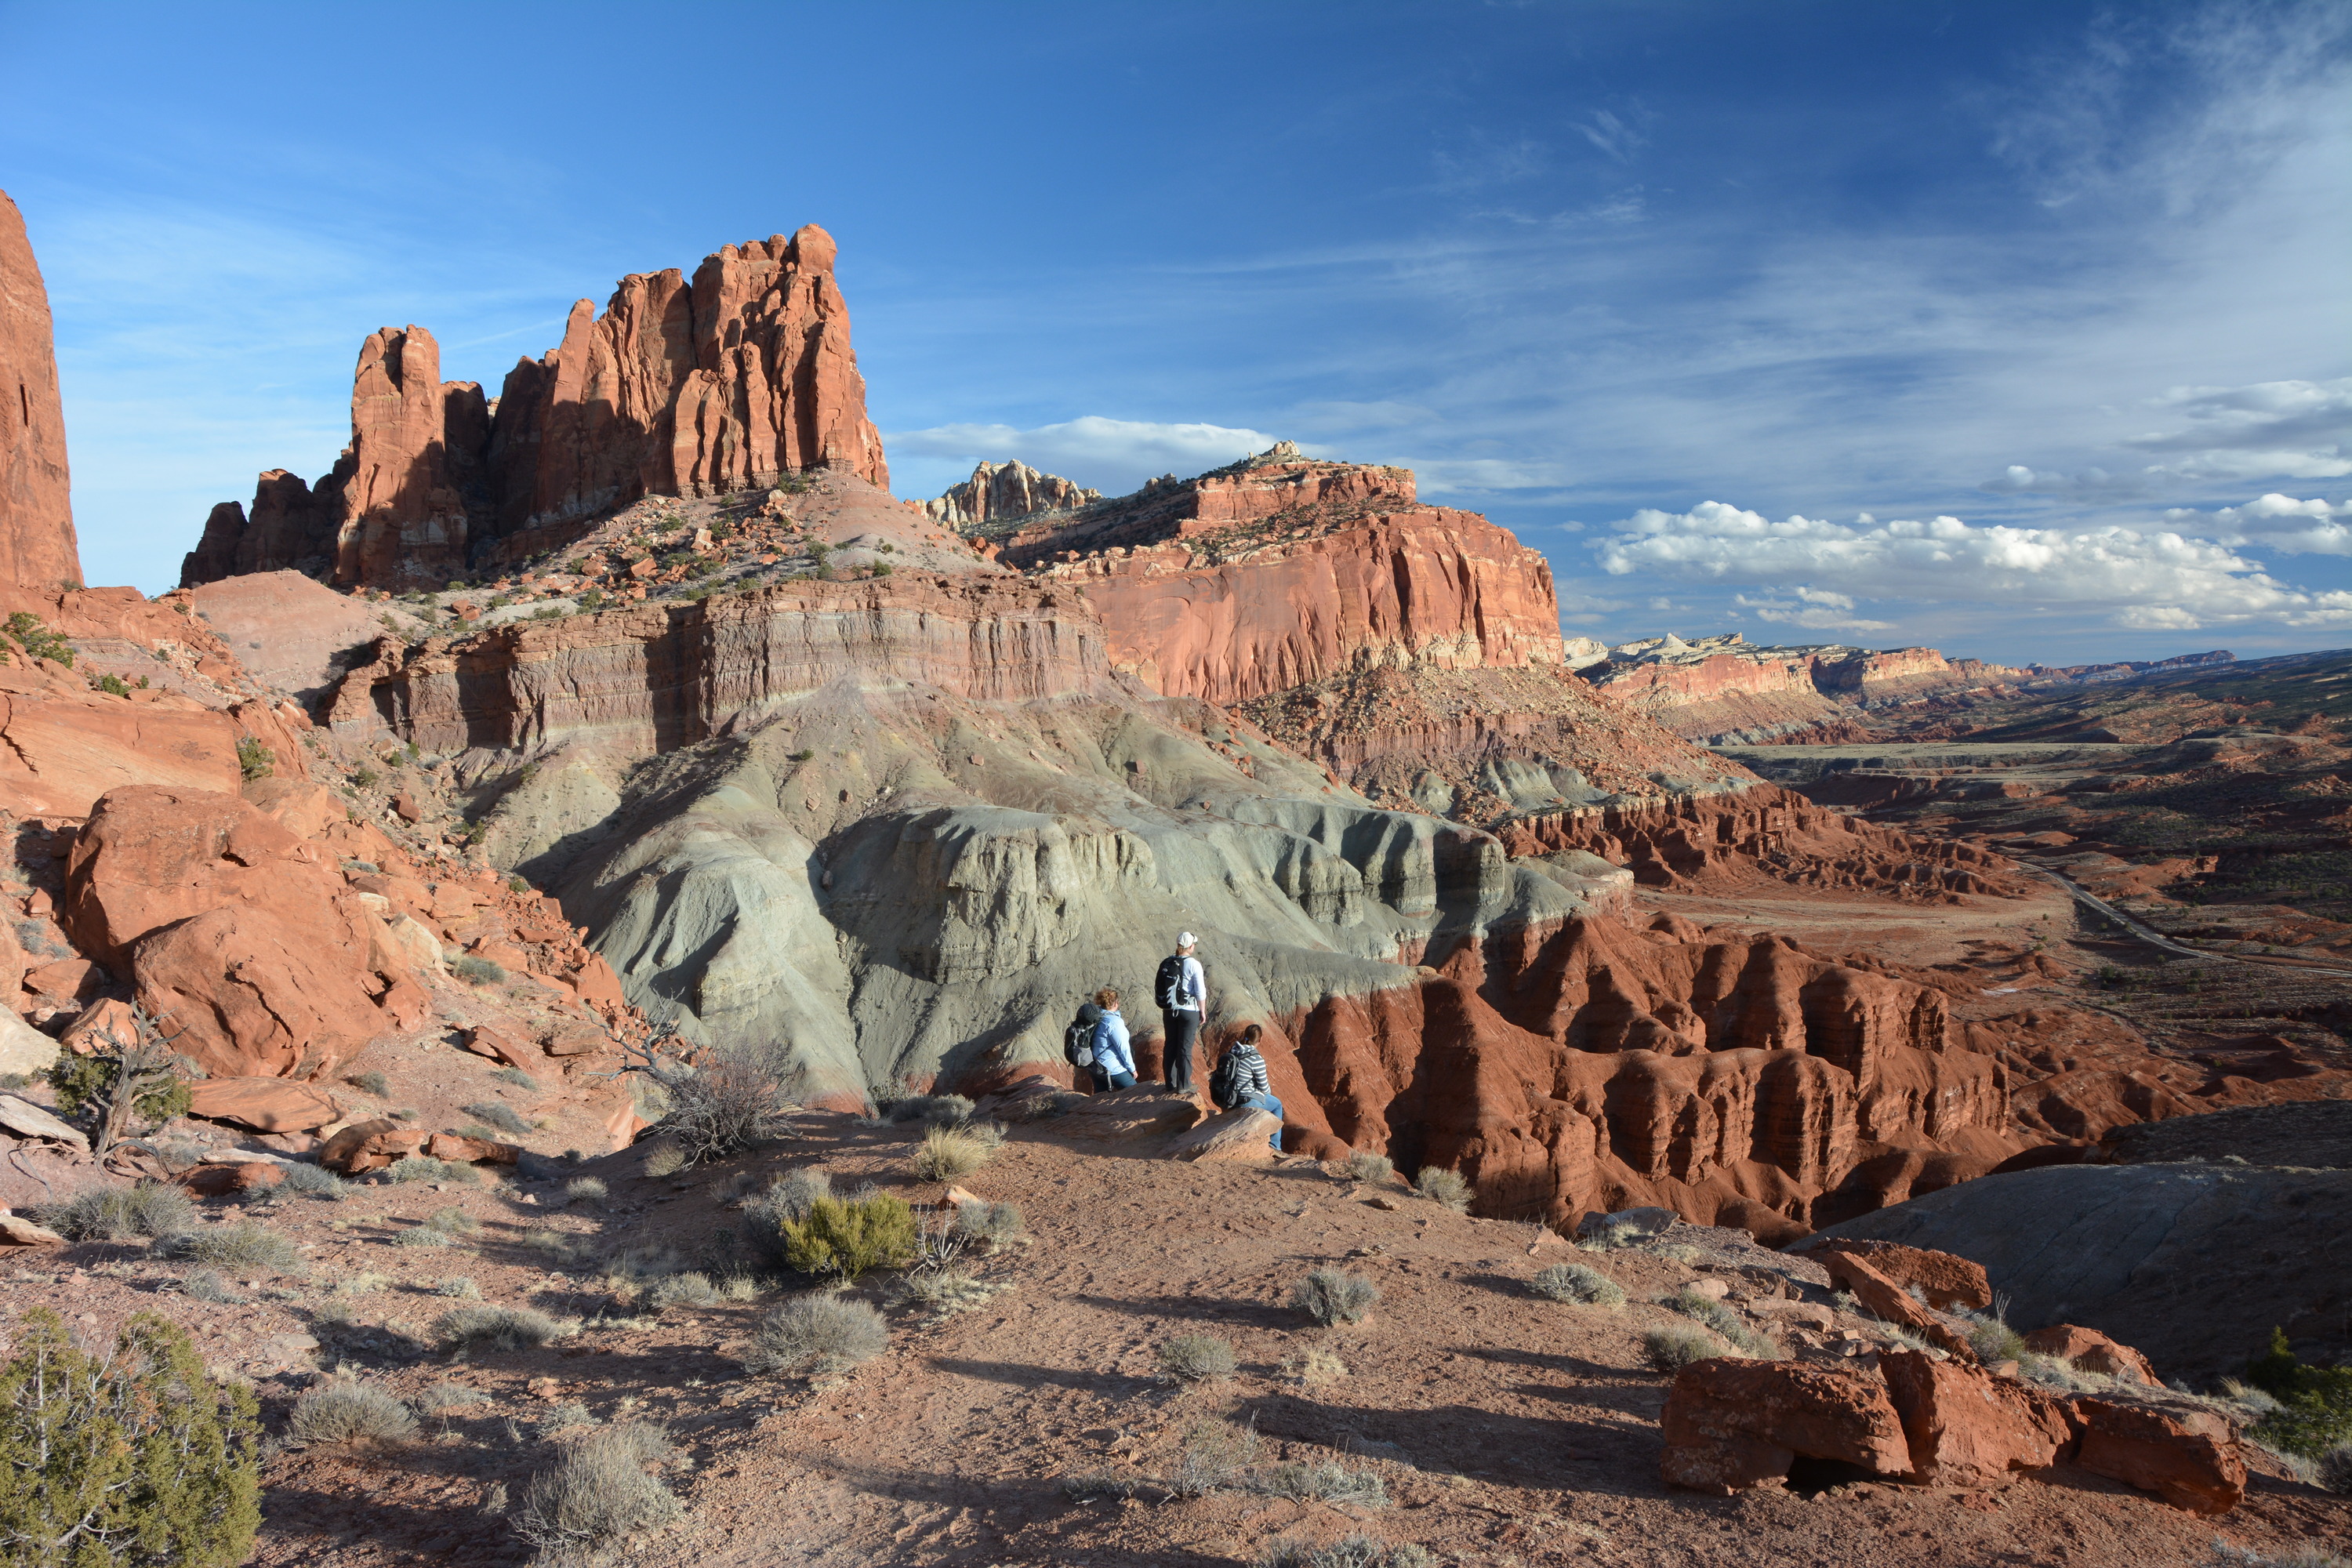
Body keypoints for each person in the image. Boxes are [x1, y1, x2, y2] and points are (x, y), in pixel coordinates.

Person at [1154, 931, 1208, 1094]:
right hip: (1188, 1012)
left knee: (1170, 1044)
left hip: (1169, 1010)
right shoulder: (1193, 964)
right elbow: (1200, 991)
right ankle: (1184, 1085)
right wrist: (1202, 1011)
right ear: (1190, 947)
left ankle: (1170, 1084)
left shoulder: (1168, 962)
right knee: (1184, 1048)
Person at [1216, 1023, 1283, 1152]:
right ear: (1260, 1039)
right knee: (1277, 1105)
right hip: (1244, 1101)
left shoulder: (1233, 1051)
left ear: (1245, 1036)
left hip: (1227, 1099)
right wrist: (1261, 1093)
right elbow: (1265, 1088)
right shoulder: (1256, 1058)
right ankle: (1275, 1145)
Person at [1090, 987, 1137, 1091]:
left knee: (1101, 1098)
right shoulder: (1114, 1022)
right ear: (1116, 1003)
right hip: (1113, 1068)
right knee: (1136, 1092)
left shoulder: (1095, 1017)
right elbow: (1123, 1048)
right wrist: (1132, 1069)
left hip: (1096, 1067)